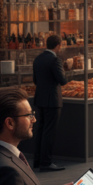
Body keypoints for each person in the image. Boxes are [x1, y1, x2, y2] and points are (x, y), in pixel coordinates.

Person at [31, 35, 67, 171]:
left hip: (40, 98)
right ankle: (46, 163)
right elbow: (62, 80)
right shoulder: (55, 60)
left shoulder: (38, 59)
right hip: (52, 99)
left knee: (40, 130)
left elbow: (35, 80)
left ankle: (38, 160)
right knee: (49, 132)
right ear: (58, 45)